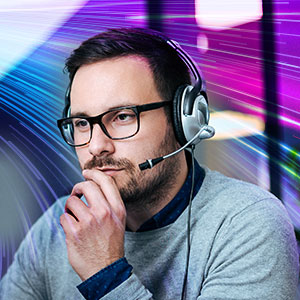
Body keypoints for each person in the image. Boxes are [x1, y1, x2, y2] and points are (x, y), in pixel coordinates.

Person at [0, 27, 298, 300]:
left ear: (184, 121)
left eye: (122, 116)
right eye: (81, 123)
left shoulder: (248, 223)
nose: (95, 146)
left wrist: (105, 273)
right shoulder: (58, 227)